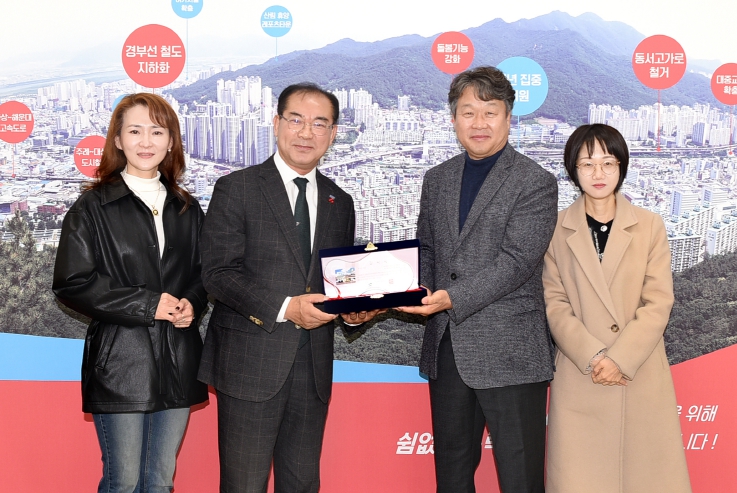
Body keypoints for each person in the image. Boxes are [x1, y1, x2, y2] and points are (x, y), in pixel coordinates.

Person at [197, 82, 380, 493]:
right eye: (296, 120)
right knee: (244, 484)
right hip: (251, 363)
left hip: (312, 368)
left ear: (333, 134)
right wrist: (285, 307)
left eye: (320, 123)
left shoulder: (339, 201)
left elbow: (337, 281)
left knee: (302, 483)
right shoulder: (238, 188)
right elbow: (218, 274)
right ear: (277, 123)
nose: (306, 132)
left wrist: (353, 313)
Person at [396, 66, 557, 492]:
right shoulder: (437, 179)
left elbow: (517, 261)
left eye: (490, 112)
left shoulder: (535, 182)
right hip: (447, 347)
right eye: (468, 112)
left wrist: (451, 297)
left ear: (508, 117)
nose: (479, 123)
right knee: (451, 476)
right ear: (454, 120)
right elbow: (427, 250)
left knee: (521, 478)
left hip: (511, 353)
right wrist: (417, 290)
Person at [53, 93, 209, 493]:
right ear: (118, 140)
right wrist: (148, 304)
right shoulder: (92, 207)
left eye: (157, 132)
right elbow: (72, 281)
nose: (146, 141)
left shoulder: (187, 207)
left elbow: (203, 273)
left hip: (178, 358)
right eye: (135, 131)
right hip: (121, 363)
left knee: (160, 482)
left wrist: (192, 303)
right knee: (122, 482)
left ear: (171, 142)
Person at [542, 124, 691, 492]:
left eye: (608, 163)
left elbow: (658, 301)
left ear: (621, 167)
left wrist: (620, 359)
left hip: (638, 373)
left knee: (646, 478)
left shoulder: (649, 225)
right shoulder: (555, 229)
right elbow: (554, 302)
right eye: (587, 163)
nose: (598, 173)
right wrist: (595, 356)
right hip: (582, 373)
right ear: (573, 170)